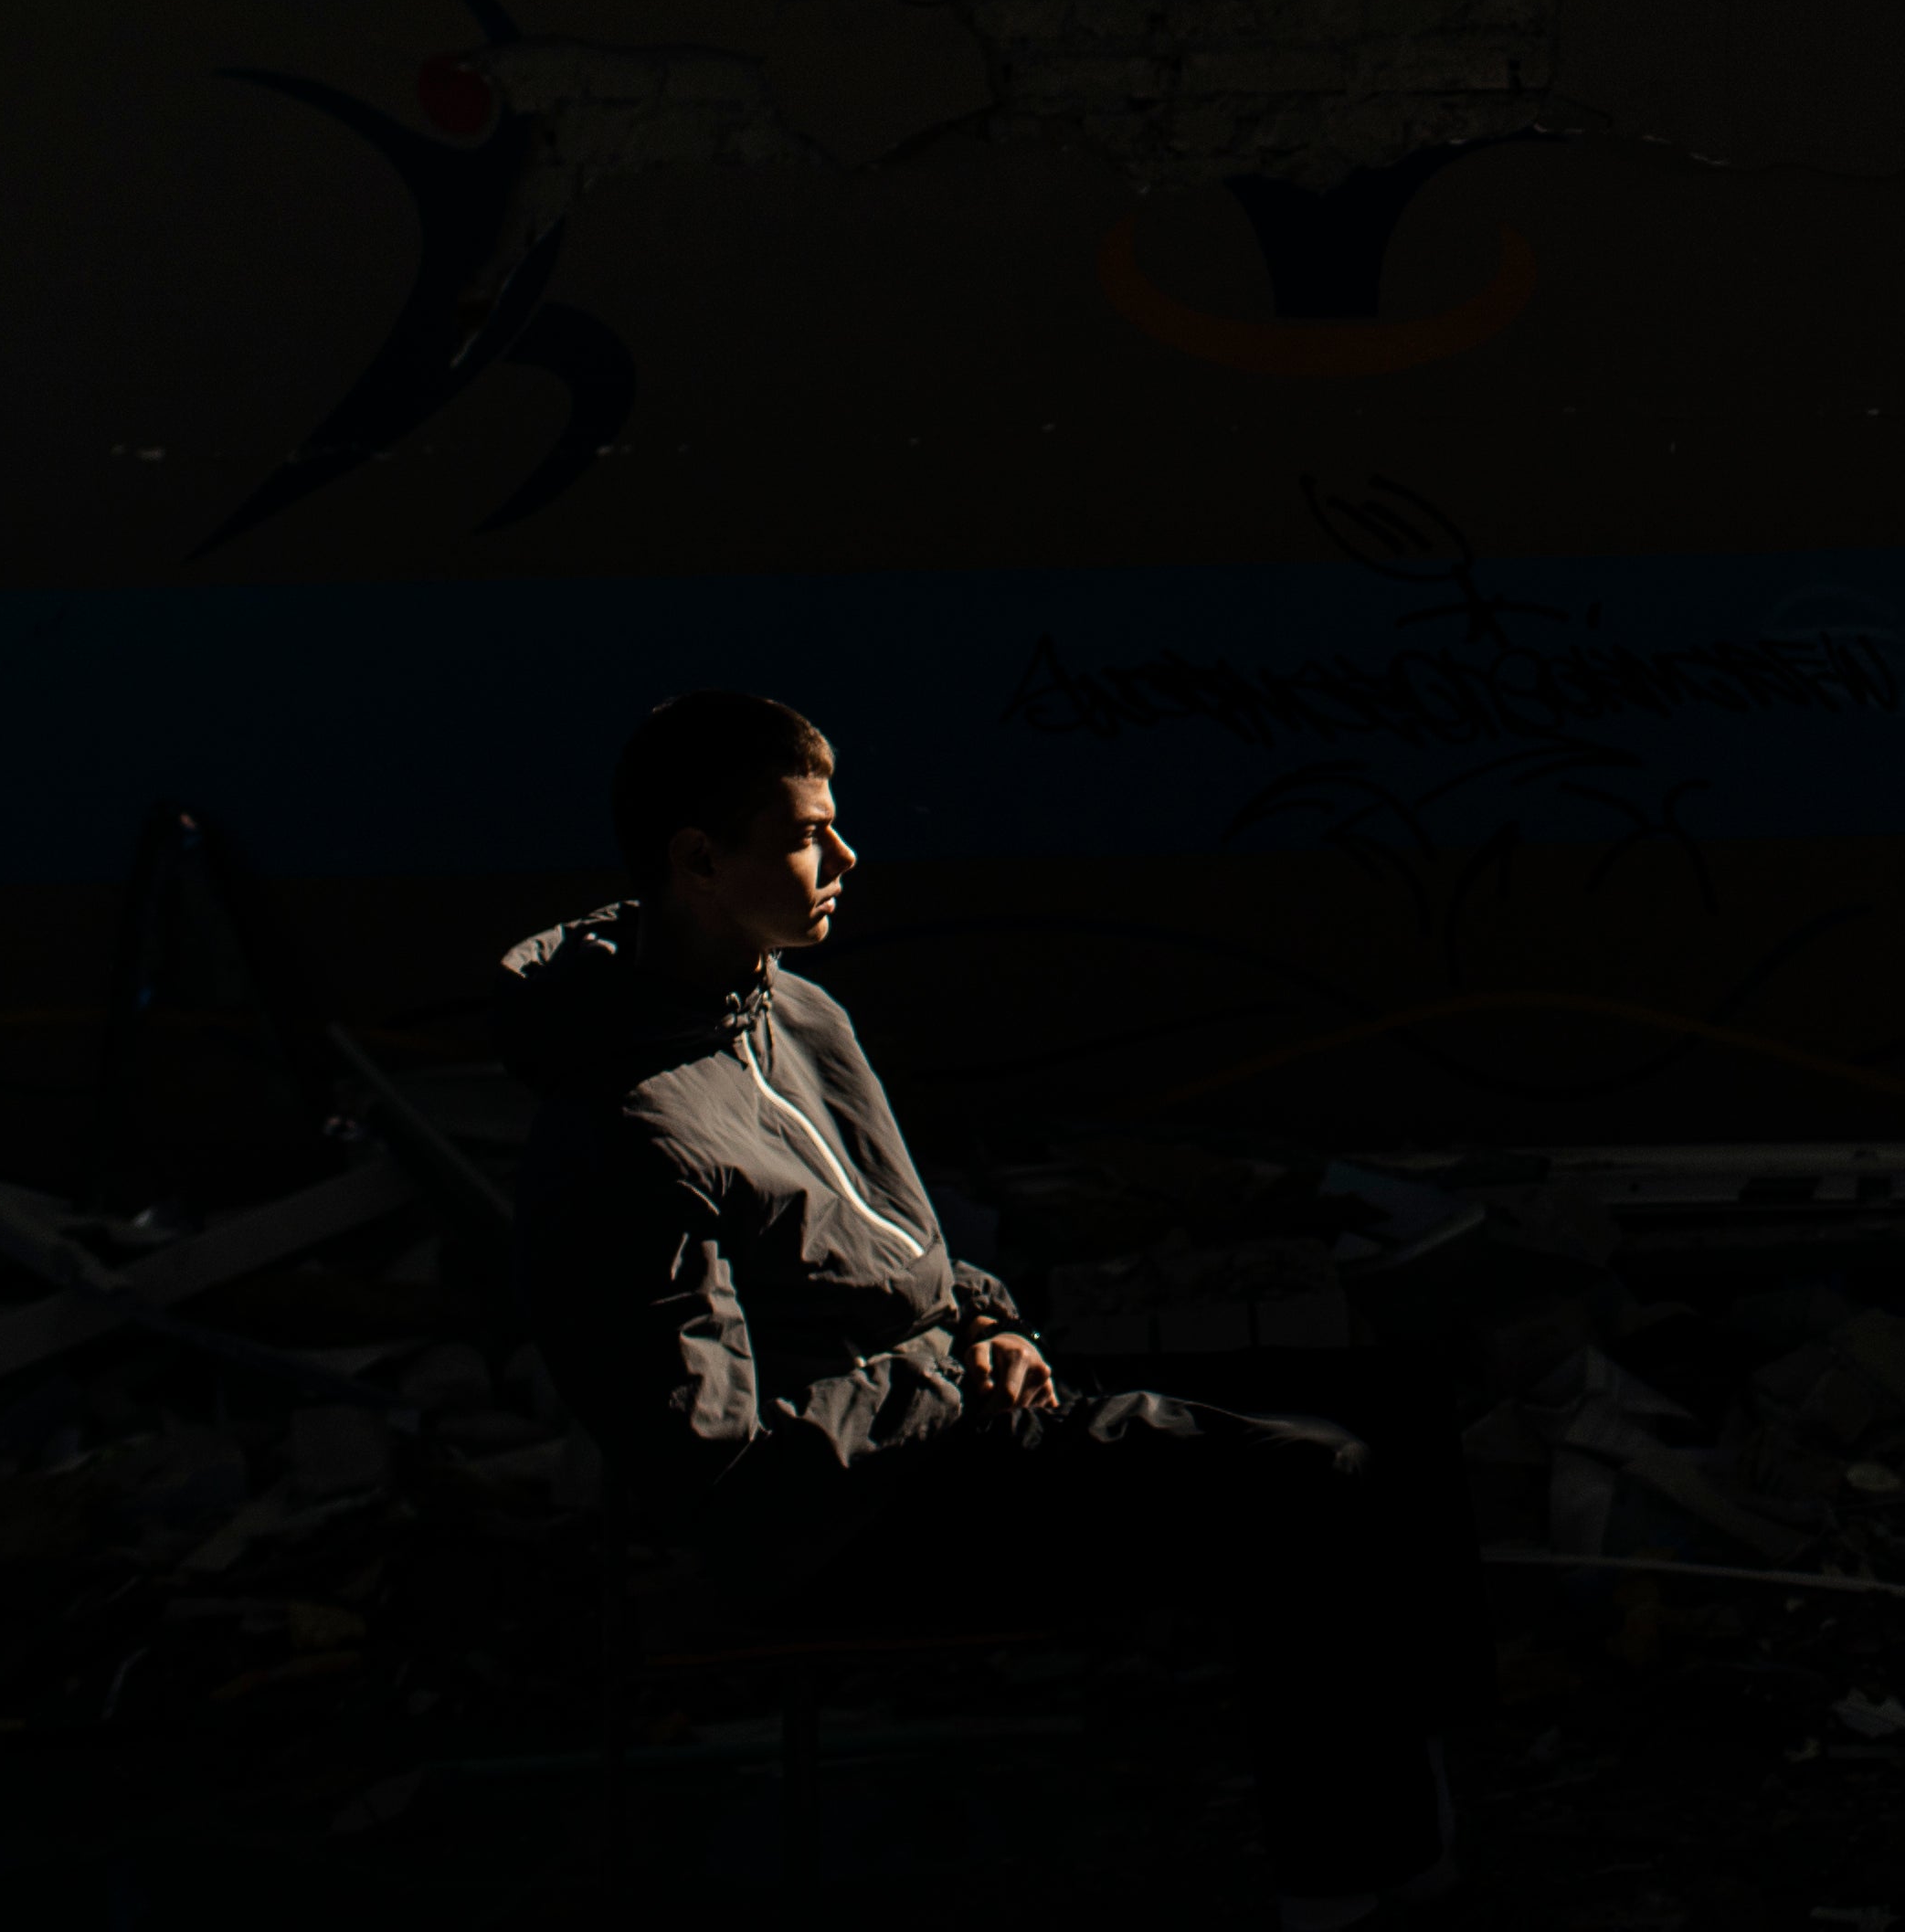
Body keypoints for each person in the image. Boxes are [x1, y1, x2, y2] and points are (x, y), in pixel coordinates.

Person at [498, 690, 1476, 1923]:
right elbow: (716, 1462)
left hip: (948, 1406)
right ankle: (1359, 1880)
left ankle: (1414, 1779)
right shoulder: (628, 1122)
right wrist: (951, 1407)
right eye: (806, 836)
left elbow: (904, 1247)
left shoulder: (797, 1010)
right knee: (1312, 1482)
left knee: (1392, 1402)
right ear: (699, 860)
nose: (845, 859)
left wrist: (985, 1323)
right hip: (855, 1514)